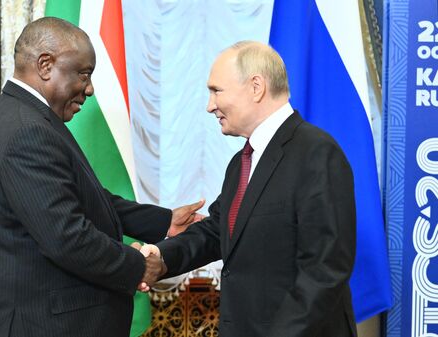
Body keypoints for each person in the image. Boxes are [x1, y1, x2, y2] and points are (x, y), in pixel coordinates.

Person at [0, 17, 203, 337]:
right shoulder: (27, 129)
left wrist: (163, 221)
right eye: (84, 74)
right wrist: (138, 266)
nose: (89, 89)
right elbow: (67, 237)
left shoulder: (22, 116)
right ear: (45, 65)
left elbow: (85, 198)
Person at [140, 41, 357, 337]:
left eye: (216, 90)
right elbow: (217, 231)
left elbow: (324, 270)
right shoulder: (241, 162)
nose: (209, 105)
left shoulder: (317, 153)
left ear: (256, 87)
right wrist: (161, 259)